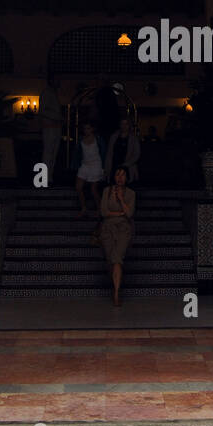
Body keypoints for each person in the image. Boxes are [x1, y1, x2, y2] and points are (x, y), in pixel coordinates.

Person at [98, 166, 136, 306]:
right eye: (118, 175)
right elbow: (103, 212)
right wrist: (119, 214)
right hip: (108, 228)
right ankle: (115, 284)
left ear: (127, 177)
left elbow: (130, 213)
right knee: (111, 259)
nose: (120, 178)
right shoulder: (107, 191)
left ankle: (116, 292)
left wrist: (121, 199)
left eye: (123, 175)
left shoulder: (131, 194)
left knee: (117, 258)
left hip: (123, 229)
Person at [72, 121, 105, 217]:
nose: (86, 130)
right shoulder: (81, 140)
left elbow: (104, 152)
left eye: (88, 128)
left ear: (92, 129)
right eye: (85, 128)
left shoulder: (98, 139)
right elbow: (77, 153)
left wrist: (104, 168)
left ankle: (99, 209)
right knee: (78, 187)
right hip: (85, 165)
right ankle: (84, 208)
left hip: (96, 165)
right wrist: (75, 165)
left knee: (93, 190)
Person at [105, 116, 140, 185]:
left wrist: (126, 164)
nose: (124, 126)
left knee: (127, 189)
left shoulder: (133, 138)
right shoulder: (114, 137)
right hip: (114, 167)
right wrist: (107, 168)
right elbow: (109, 153)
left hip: (127, 167)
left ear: (129, 125)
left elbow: (137, 154)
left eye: (126, 124)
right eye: (122, 124)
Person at [40, 74, 61, 186]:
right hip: (49, 127)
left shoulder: (53, 93)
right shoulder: (46, 93)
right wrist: (56, 116)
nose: (59, 82)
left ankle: (49, 177)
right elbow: (42, 110)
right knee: (48, 153)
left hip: (55, 127)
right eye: (57, 79)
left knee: (53, 154)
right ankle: (45, 178)